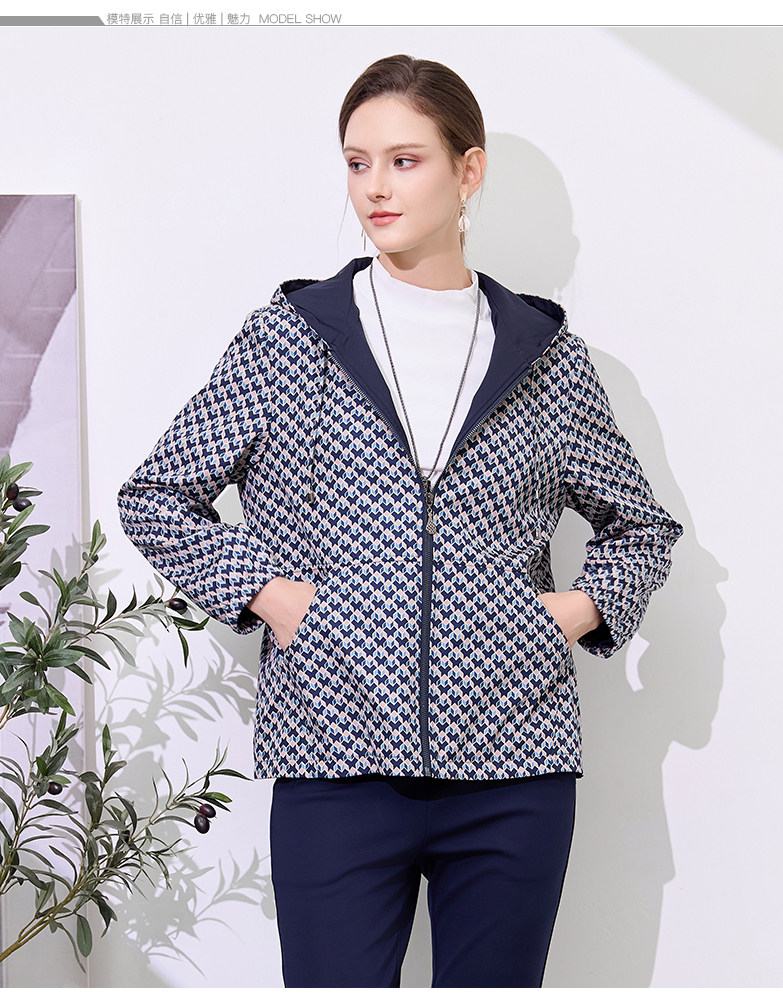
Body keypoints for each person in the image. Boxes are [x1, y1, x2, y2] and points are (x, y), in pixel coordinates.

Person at [118, 54, 683, 988]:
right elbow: (157, 496)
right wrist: (273, 596)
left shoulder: (546, 359)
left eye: (404, 161)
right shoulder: (290, 338)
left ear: (469, 171)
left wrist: (573, 612)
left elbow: (641, 527)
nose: (374, 187)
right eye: (357, 162)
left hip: (514, 766)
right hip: (334, 759)